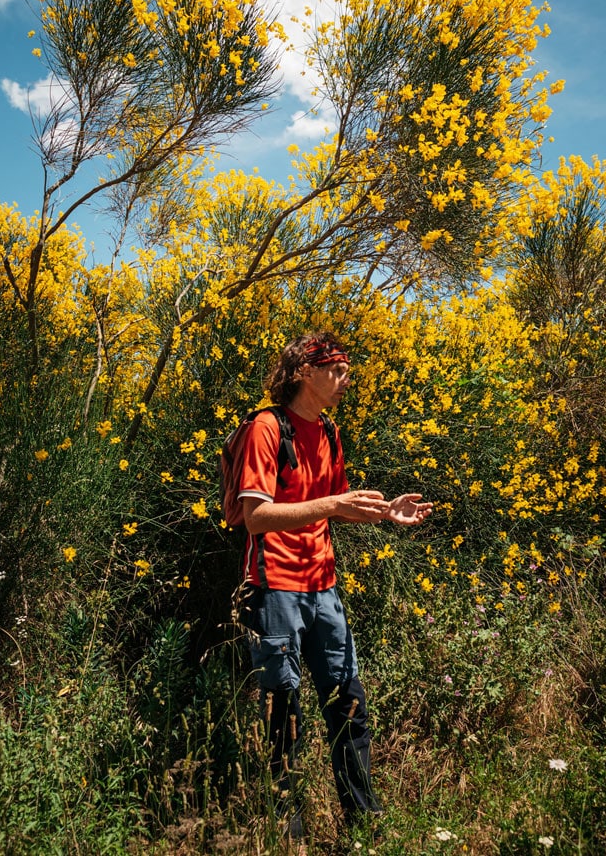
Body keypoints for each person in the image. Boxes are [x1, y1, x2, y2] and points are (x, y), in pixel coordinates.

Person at [236, 331, 433, 842]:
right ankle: (289, 834)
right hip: (274, 585)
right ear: (305, 372)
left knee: (349, 705)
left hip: (323, 588)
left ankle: (363, 827)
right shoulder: (266, 428)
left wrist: (386, 513)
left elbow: (333, 507)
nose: (347, 380)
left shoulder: (328, 432)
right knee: (284, 712)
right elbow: (256, 517)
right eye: (338, 371)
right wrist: (330, 505)